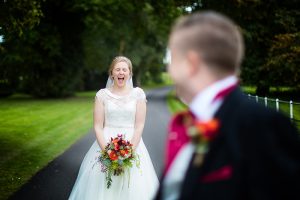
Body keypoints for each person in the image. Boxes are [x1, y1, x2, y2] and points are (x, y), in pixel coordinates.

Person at [155, 11, 300, 200]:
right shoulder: (192, 123)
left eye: (172, 59)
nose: (169, 70)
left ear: (191, 64)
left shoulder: (263, 125)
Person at [69, 56, 159, 200]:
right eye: (117, 69)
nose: (121, 72)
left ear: (130, 73)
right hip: (105, 143)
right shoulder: (102, 95)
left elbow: (139, 125)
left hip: (133, 144)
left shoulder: (138, 95)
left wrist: (129, 152)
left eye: (124, 69)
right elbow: (98, 126)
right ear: (112, 73)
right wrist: (108, 152)